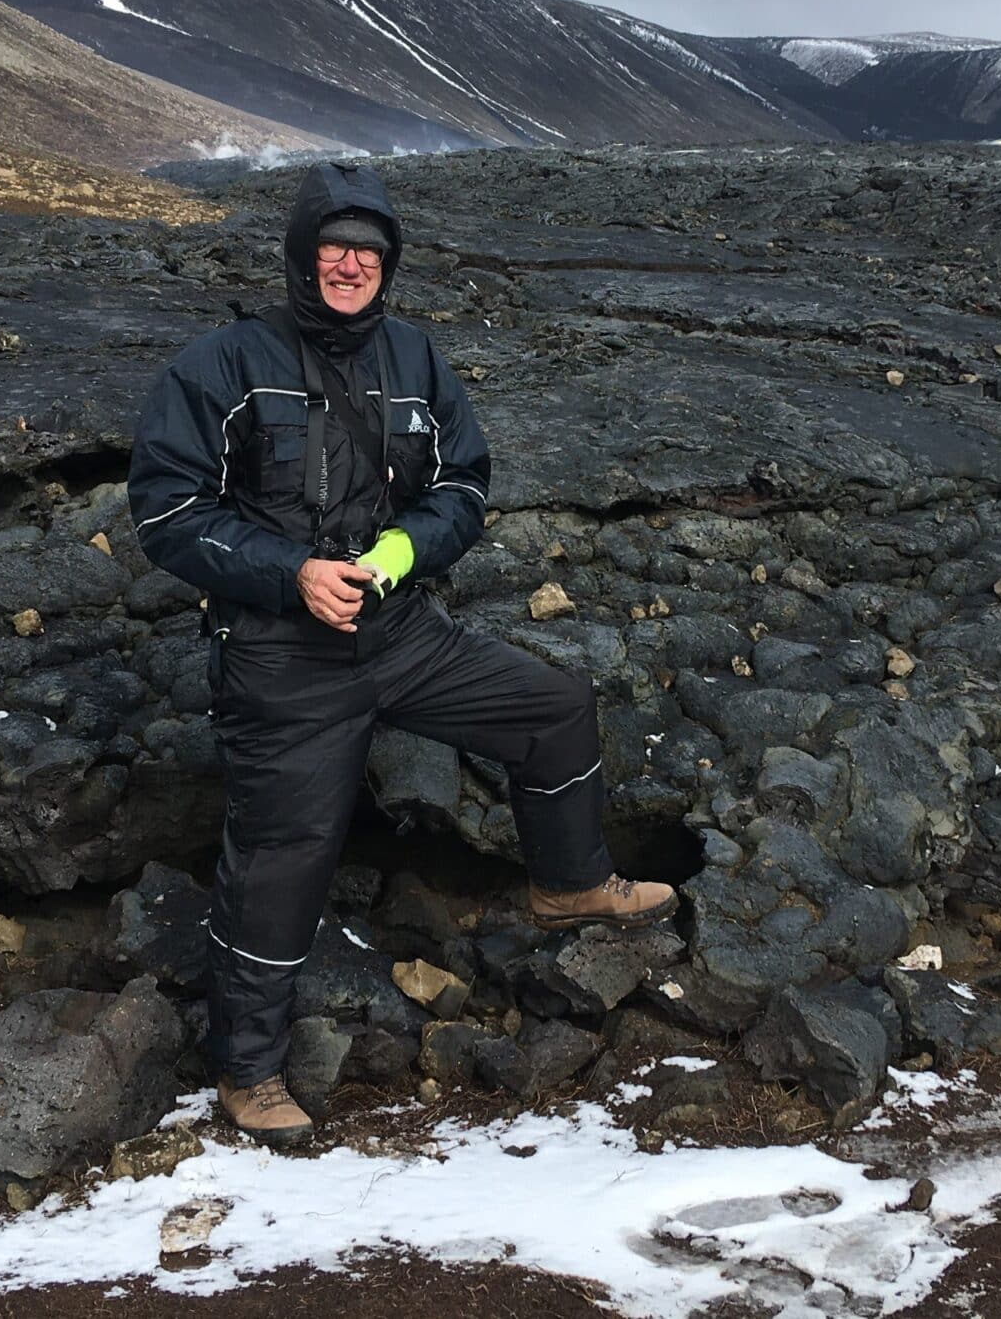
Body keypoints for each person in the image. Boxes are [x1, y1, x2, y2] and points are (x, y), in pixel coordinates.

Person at [128, 162, 678, 1146]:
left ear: (389, 265)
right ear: (303, 257)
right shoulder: (219, 364)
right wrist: (289, 569)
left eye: (369, 251)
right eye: (334, 248)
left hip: (403, 633)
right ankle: (245, 1068)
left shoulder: (416, 358)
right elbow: (168, 513)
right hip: (277, 654)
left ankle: (568, 881)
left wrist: (396, 552)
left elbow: (463, 484)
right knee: (282, 855)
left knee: (554, 706)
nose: (350, 264)